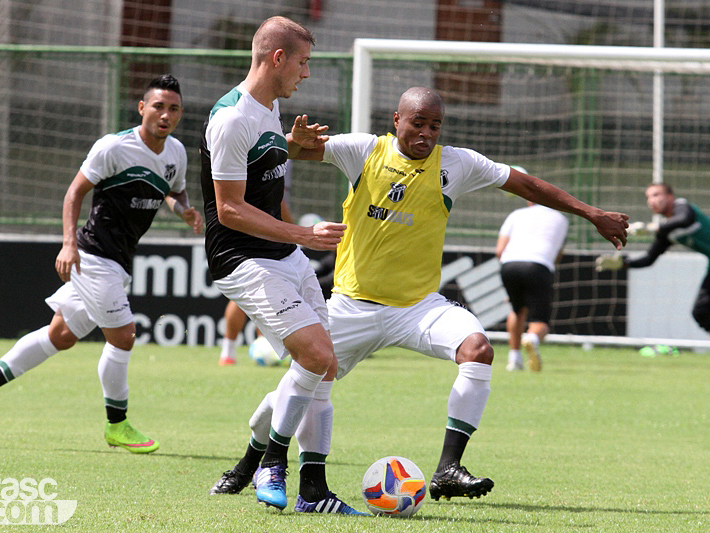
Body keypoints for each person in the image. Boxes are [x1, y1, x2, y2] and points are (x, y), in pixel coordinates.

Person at [211, 87, 629, 502]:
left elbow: (528, 186)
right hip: (352, 306)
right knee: (302, 385)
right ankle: (250, 462)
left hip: (418, 307)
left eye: (435, 125)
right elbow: (287, 155)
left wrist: (591, 213)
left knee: (479, 349)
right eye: (417, 123)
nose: (426, 133)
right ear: (397, 121)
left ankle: (448, 469)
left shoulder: (456, 164)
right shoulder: (363, 151)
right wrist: (290, 142)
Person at [0, 74, 203, 454]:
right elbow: (74, 192)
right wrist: (69, 244)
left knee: (61, 335)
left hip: (118, 261)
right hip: (93, 256)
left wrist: (183, 210)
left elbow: (174, 189)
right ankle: (117, 424)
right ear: (142, 108)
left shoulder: (176, 153)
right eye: (158, 106)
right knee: (123, 335)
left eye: (173, 109)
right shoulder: (113, 148)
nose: (165, 114)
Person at [200, 16, 364, 515]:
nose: (307, 73)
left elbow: (263, 165)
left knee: (324, 367)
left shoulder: (267, 109)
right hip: (241, 257)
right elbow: (228, 208)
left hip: (281, 255)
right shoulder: (232, 118)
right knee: (314, 357)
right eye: (303, 62)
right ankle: (275, 462)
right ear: (277, 58)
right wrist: (303, 234)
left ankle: (304, 487)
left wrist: (291, 146)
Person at [596, 183, 710, 341]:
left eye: (656, 195)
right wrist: (623, 263)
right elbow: (649, 259)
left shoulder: (682, 207)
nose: (651, 201)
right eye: (648, 197)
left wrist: (652, 228)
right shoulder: (665, 231)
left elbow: (684, 219)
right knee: (701, 313)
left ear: (670, 197)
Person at [496, 167, 569, 372]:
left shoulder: (516, 214)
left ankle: (514, 359)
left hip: (509, 265)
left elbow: (500, 250)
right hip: (538, 265)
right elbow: (557, 254)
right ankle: (532, 338)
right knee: (540, 321)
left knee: (516, 309)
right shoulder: (561, 219)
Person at [218, 198, 293, 366]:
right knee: (258, 289)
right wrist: (295, 232)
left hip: (233, 235)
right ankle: (256, 344)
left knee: (251, 291)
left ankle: (231, 351)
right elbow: (278, 199)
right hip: (258, 233)